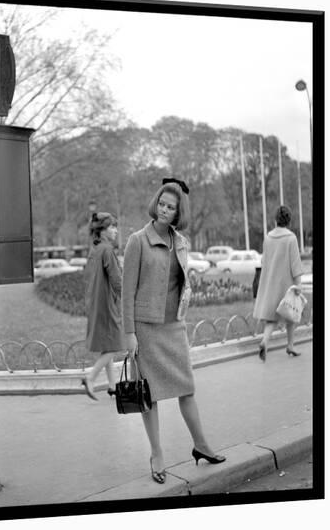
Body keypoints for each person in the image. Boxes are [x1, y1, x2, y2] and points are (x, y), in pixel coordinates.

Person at [122, 178, 225, 484]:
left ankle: (201, 445)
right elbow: (127, 293)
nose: (164, 210)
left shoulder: (180, 241)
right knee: (149, 396)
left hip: (174, 326)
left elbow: (180, 282)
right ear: (156, 204)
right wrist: (129, 334)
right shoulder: (137, 241)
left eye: (171, 207)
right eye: (162, 204)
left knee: (187, 388)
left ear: (179, 211)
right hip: (146, 329)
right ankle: (157, 454)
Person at [81, 212, 124, 401]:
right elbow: (117, 281)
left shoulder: (95, 249)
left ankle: (113, 387)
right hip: (107, 305)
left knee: (108, 345)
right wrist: (128, 301)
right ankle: (90, 377)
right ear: (103, 231)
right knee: (115, 345)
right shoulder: (107, 250)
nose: (115, 230)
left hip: (97, 303)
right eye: (112, 227)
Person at [253, 205, 304, 361]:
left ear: (276, 220)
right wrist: (298, 285)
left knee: (272, 318)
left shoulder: (268, 238)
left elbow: (264, 260)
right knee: (290, 314)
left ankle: (265, 341)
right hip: (286, 283)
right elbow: (295, 264)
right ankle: (290, 345)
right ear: (289, 221)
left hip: (270, 282)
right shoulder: (291, 238)